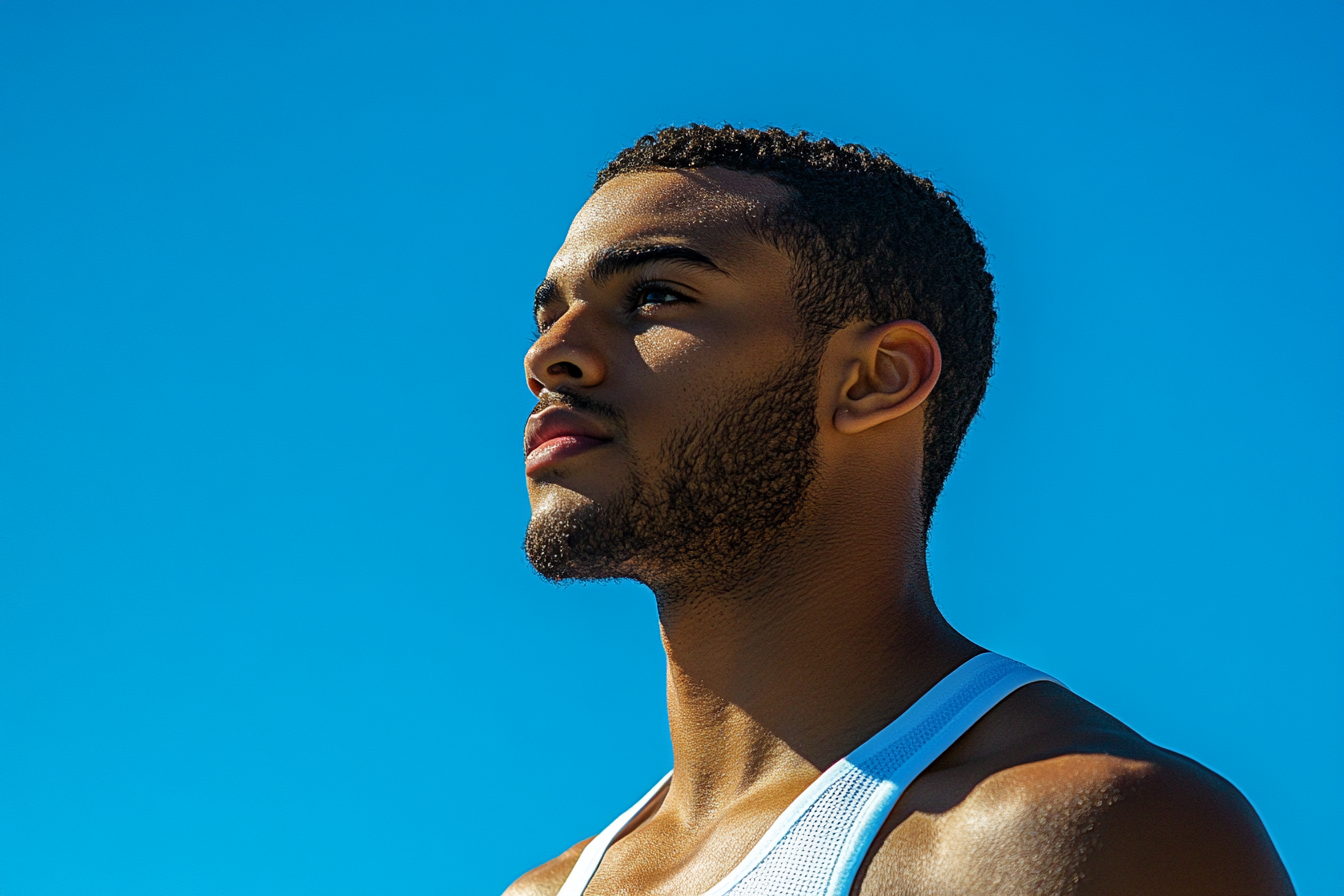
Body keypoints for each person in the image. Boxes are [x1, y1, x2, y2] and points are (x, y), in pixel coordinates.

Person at [505, 125, 1293, 896]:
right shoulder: (546, 889)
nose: (549, 357)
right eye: (549, 315)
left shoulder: (1090, 832)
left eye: (653, 296)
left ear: (875, 379)